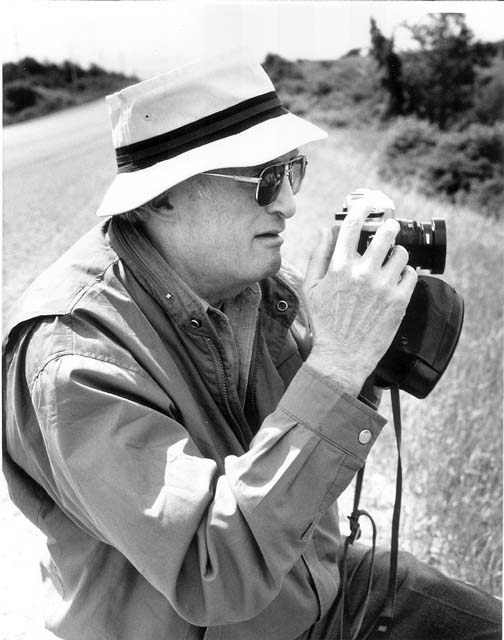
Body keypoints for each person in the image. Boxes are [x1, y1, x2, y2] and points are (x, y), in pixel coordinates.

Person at [3, 53, 501, 640]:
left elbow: (310, 429)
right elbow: (213, 569)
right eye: (264, 180)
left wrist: (369, 329)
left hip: (317, 591)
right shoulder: (74, 357)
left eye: (292, 171)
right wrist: (337, 365)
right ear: (163, 197)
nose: (288, 203)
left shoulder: (254, 285)